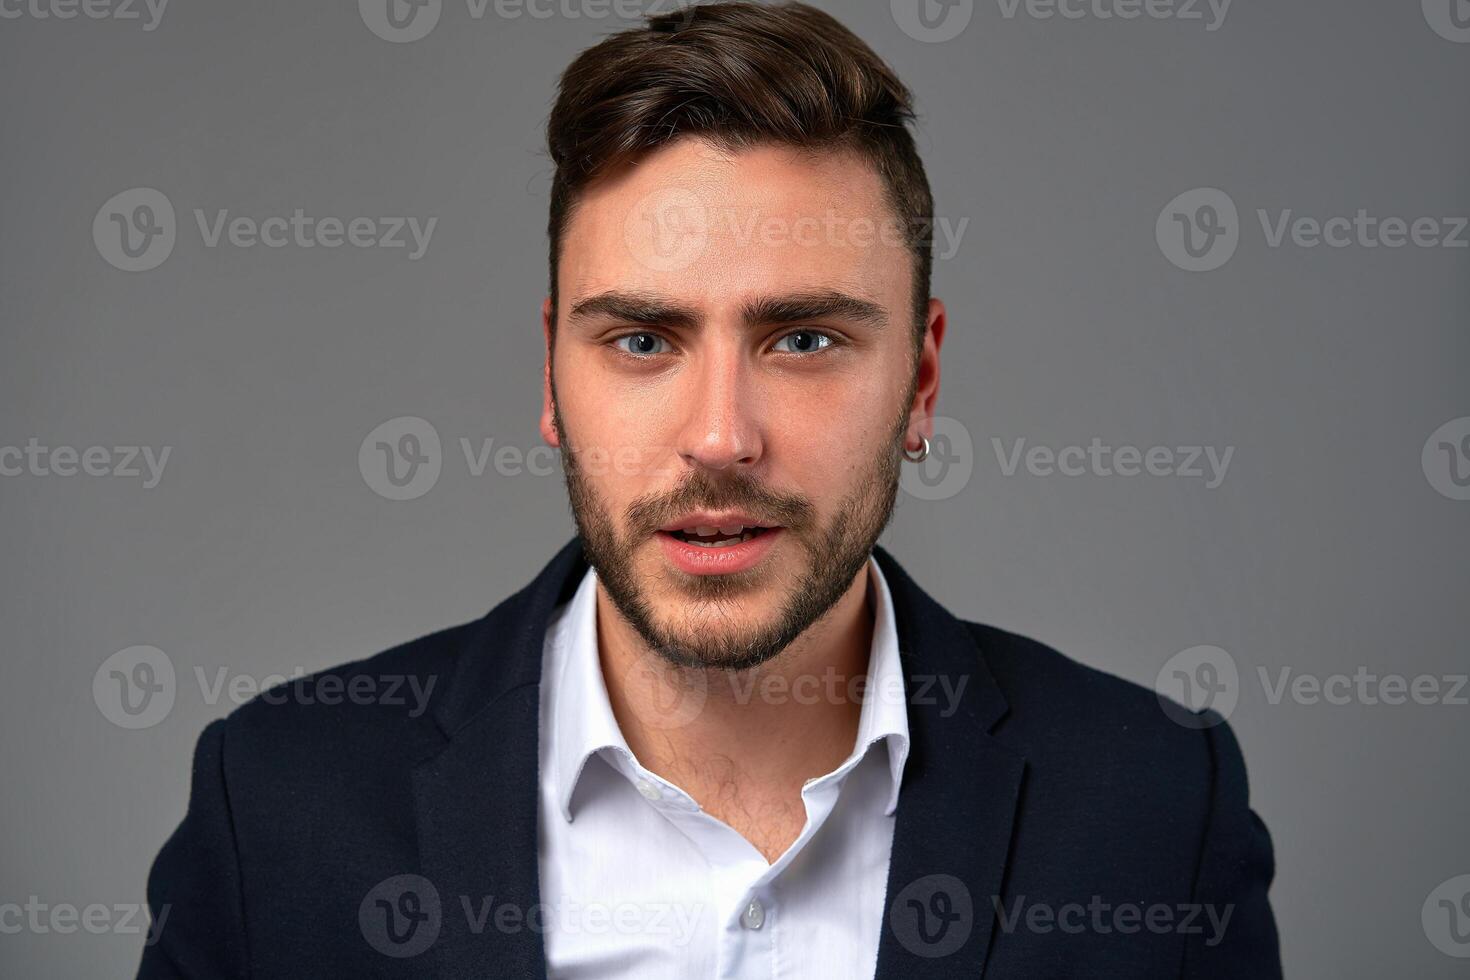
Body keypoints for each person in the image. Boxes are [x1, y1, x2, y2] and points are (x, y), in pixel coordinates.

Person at [137, 3, 1280, 977]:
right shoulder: (278, 806)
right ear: (550, 375)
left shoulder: (1154, 811)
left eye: (804, 339)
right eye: (642, 340)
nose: (722, 437)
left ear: (922, 380)